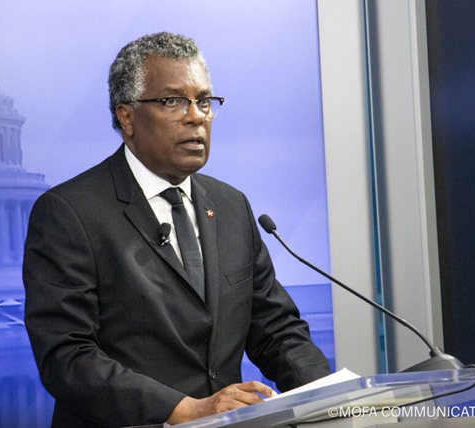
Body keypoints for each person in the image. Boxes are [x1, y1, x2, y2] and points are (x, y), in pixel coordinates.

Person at [23, 32, 330, 427]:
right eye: (173, 101)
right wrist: (187, 410)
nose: (196, 116)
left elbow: (277, 331)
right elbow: (68, 358)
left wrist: (330, 400)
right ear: (127, 117)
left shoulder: (231, 206)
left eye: (204, 101)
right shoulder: (70, 213)